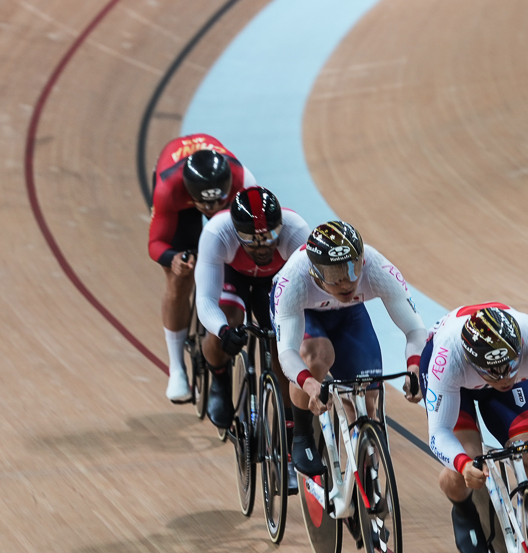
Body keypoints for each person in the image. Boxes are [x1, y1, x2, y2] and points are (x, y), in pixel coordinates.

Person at [420, 304, 528, 553]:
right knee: (467, 457)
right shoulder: (447, 358)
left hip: (489, 378)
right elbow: (438, 432)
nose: (504, 377)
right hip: (456, 383)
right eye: (494, 371)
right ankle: (463, 508)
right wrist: (463, 464)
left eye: (510, 365)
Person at [271, 220, 427, 477]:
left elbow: (415, 329)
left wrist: (414, 366)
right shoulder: (294, 281)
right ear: (315, 273)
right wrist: (310, 385)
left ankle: (366, 476)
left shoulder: (377, 268)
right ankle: (301, 435)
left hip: (347, 314)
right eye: (334, 276)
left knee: (368, 396)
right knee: (319, 355)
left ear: (361, 259)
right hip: (305, 313)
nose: (346, 283)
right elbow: (287, 352)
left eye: (352, 269)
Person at [193, 186, 310, 429]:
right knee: (228, 319)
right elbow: (205, 300)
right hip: (233, 274)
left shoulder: (296, 231)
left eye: (269, 237)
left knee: (282, 341)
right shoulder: (217, 233)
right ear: (236, 233)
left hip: (276, 279)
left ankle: (289, 419)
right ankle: (219, 377)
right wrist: (223, 331)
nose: (262, 248)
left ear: (280, 227)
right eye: (251, 242)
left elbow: (310, 293)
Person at [148, 135, 252, 402]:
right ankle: (176, 368)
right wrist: (174, 258)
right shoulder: (169, 190)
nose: (212, 210)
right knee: (179, 280)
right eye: (205, 205)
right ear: (193, 196)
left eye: (218, 203)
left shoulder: (241, 181)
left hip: (220, 191)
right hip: (182, 205)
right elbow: (155, 243)